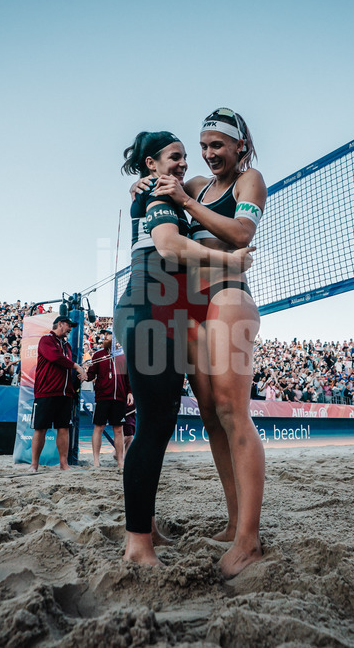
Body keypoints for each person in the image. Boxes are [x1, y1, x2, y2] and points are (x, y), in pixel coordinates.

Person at [116, 130, 253, 569]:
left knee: (157, 425)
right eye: (174, 157)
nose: (183, 164)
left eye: (184, 157)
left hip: (167, 316)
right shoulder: (160, 197)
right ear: (152, 164)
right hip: (150, 312)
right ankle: (138, 545)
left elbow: (219, 208)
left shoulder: (172, 195)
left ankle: (147, 527)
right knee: (155, 426)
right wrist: (231, 262)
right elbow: (170, 245)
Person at [149, 108, 267, 576]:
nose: (208, 154)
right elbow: (166, 179)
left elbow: (242, 233)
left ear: (239, 146)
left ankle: (249, 539)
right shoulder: (196, 183)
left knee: (234, 412)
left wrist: (188, 201)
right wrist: (143, 184)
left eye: (218, 144)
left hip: (231, 295)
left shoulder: (248, 180)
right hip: (195, 303)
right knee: (212, 415)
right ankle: (235, 520)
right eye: (204, 146)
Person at [29, 315, 87, 473]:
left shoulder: (67, 346)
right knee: (40, 428)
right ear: (60, 324)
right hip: (46, 392)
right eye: (69, 326)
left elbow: (66, 368)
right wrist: (76, 366)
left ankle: (64, 464)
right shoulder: (46, 339)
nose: (70, 329)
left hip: (65, 393)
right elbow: (55, 357)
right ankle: (34, 465)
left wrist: (78, 378)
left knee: (64, 428)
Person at [86, 329, 132, 469]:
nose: (105, 337)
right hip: (103, 396)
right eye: (104, 335)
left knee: (118, 429)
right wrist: (84, 374)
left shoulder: (123, 356)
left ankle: (120, 462)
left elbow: (128, 377)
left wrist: (130, 392)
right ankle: (96, 461)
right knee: (99, 427)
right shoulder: (98, 355)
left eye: (108, 335)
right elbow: (91, 375)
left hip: (119, 397)